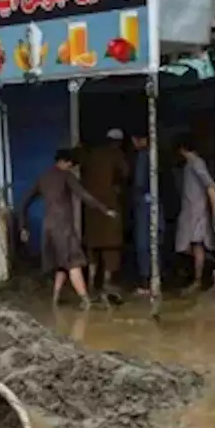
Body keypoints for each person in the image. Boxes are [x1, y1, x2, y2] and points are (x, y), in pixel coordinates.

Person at [19, 148, 116, 309]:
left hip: (48, 228)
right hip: (63, 227)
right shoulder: (66, 176)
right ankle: (86, 300)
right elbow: (84, 195)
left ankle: (55, 299)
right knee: (74, 263)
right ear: (65, 162)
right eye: (71, 164)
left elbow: (24, 202)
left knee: (61, 265)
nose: (71, 167)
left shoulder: (43, 177)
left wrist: (23, 227)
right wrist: (104, 209)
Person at [80, 129, 130, 296]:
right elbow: (126, 173)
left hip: (91, 206)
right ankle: (107, 282)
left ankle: (92, 282)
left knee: (93, 245)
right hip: (109, 204)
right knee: (111, 246)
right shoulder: (117, 155)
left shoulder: (91, 154)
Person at [173, 139, 215, 292]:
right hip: (190, 212)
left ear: (182, 149)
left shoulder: (196, 164)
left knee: (195, 245)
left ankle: (200, 276)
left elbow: (210, 186)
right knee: (187, 245)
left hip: (196, 212)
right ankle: (204, 267)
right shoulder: (190, 165)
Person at [129, 133, 153, 296]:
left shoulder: (143, 157)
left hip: (144, 205)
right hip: (155, 204)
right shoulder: (155, 156)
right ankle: (153, 280)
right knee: (154, 242)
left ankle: (146, 284)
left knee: (143, 244)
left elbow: (138, 183)